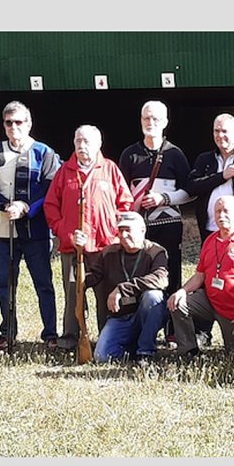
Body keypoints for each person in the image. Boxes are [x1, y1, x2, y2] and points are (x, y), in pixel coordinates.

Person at [0, 101, 61, 348]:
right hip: (4, 229)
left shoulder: (44, 153)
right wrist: (5, 206)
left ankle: (50, 334)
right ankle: (8, 331)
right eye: (8, 122)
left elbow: (50, 187)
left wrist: (26, 207)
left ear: (29, 123)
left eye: (19, 122)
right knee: (5, 283)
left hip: (36, 230)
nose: (14, 127)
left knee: (43, 283)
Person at [44, 125, 133, 351]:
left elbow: (125, 204)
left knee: (105, 297)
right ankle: (71, 339)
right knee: (74, 295)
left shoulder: (110, 169)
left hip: (104, 248)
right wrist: (68, 235)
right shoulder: (64, 172)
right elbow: (51, 208)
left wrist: (114, 232)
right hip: (73, 248)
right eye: (78, 141)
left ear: (98, 144)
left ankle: (107, 337)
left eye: (87, 141)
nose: (82, 146)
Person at [119, 100, 192, 345]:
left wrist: (164, 198)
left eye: (156, 119)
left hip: (169, 227)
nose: (151, 123)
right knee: (139, 275)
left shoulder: (175, 154)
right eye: (146, 118)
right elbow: (123, 193)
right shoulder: (129, 154)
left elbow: (190, 191)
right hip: (140, 231)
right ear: (140, 121)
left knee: (171, 276)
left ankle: (172, 330)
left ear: (165, 123)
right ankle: (141, 326)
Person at [167, 195, 234, 357]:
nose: (221, 216)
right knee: (177, 303)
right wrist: (182, 291)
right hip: (210, 301)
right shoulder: (210, 240)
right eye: (217, 211)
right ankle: (188, 351)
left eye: (226, 211)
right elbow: (200, 276)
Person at [90, 211, 169, 363]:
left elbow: (160, 280)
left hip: (145, 313)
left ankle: (145, 352)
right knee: (102, 357)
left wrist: (122, 288)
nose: (124, 235)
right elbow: (93, 277)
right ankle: (132, 349)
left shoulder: (155, 252)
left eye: (128, 230)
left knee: (153, 296)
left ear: (142, 230)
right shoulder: (108, 253)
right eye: (120, 231)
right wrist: (78, 254)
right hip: (119, 316)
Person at [186, 113, 234, 242]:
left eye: (224, 131)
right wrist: (223, 176)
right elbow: (192, 187)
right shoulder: (204, 159)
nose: (220, 135)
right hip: (209, 229)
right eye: (216, 131)